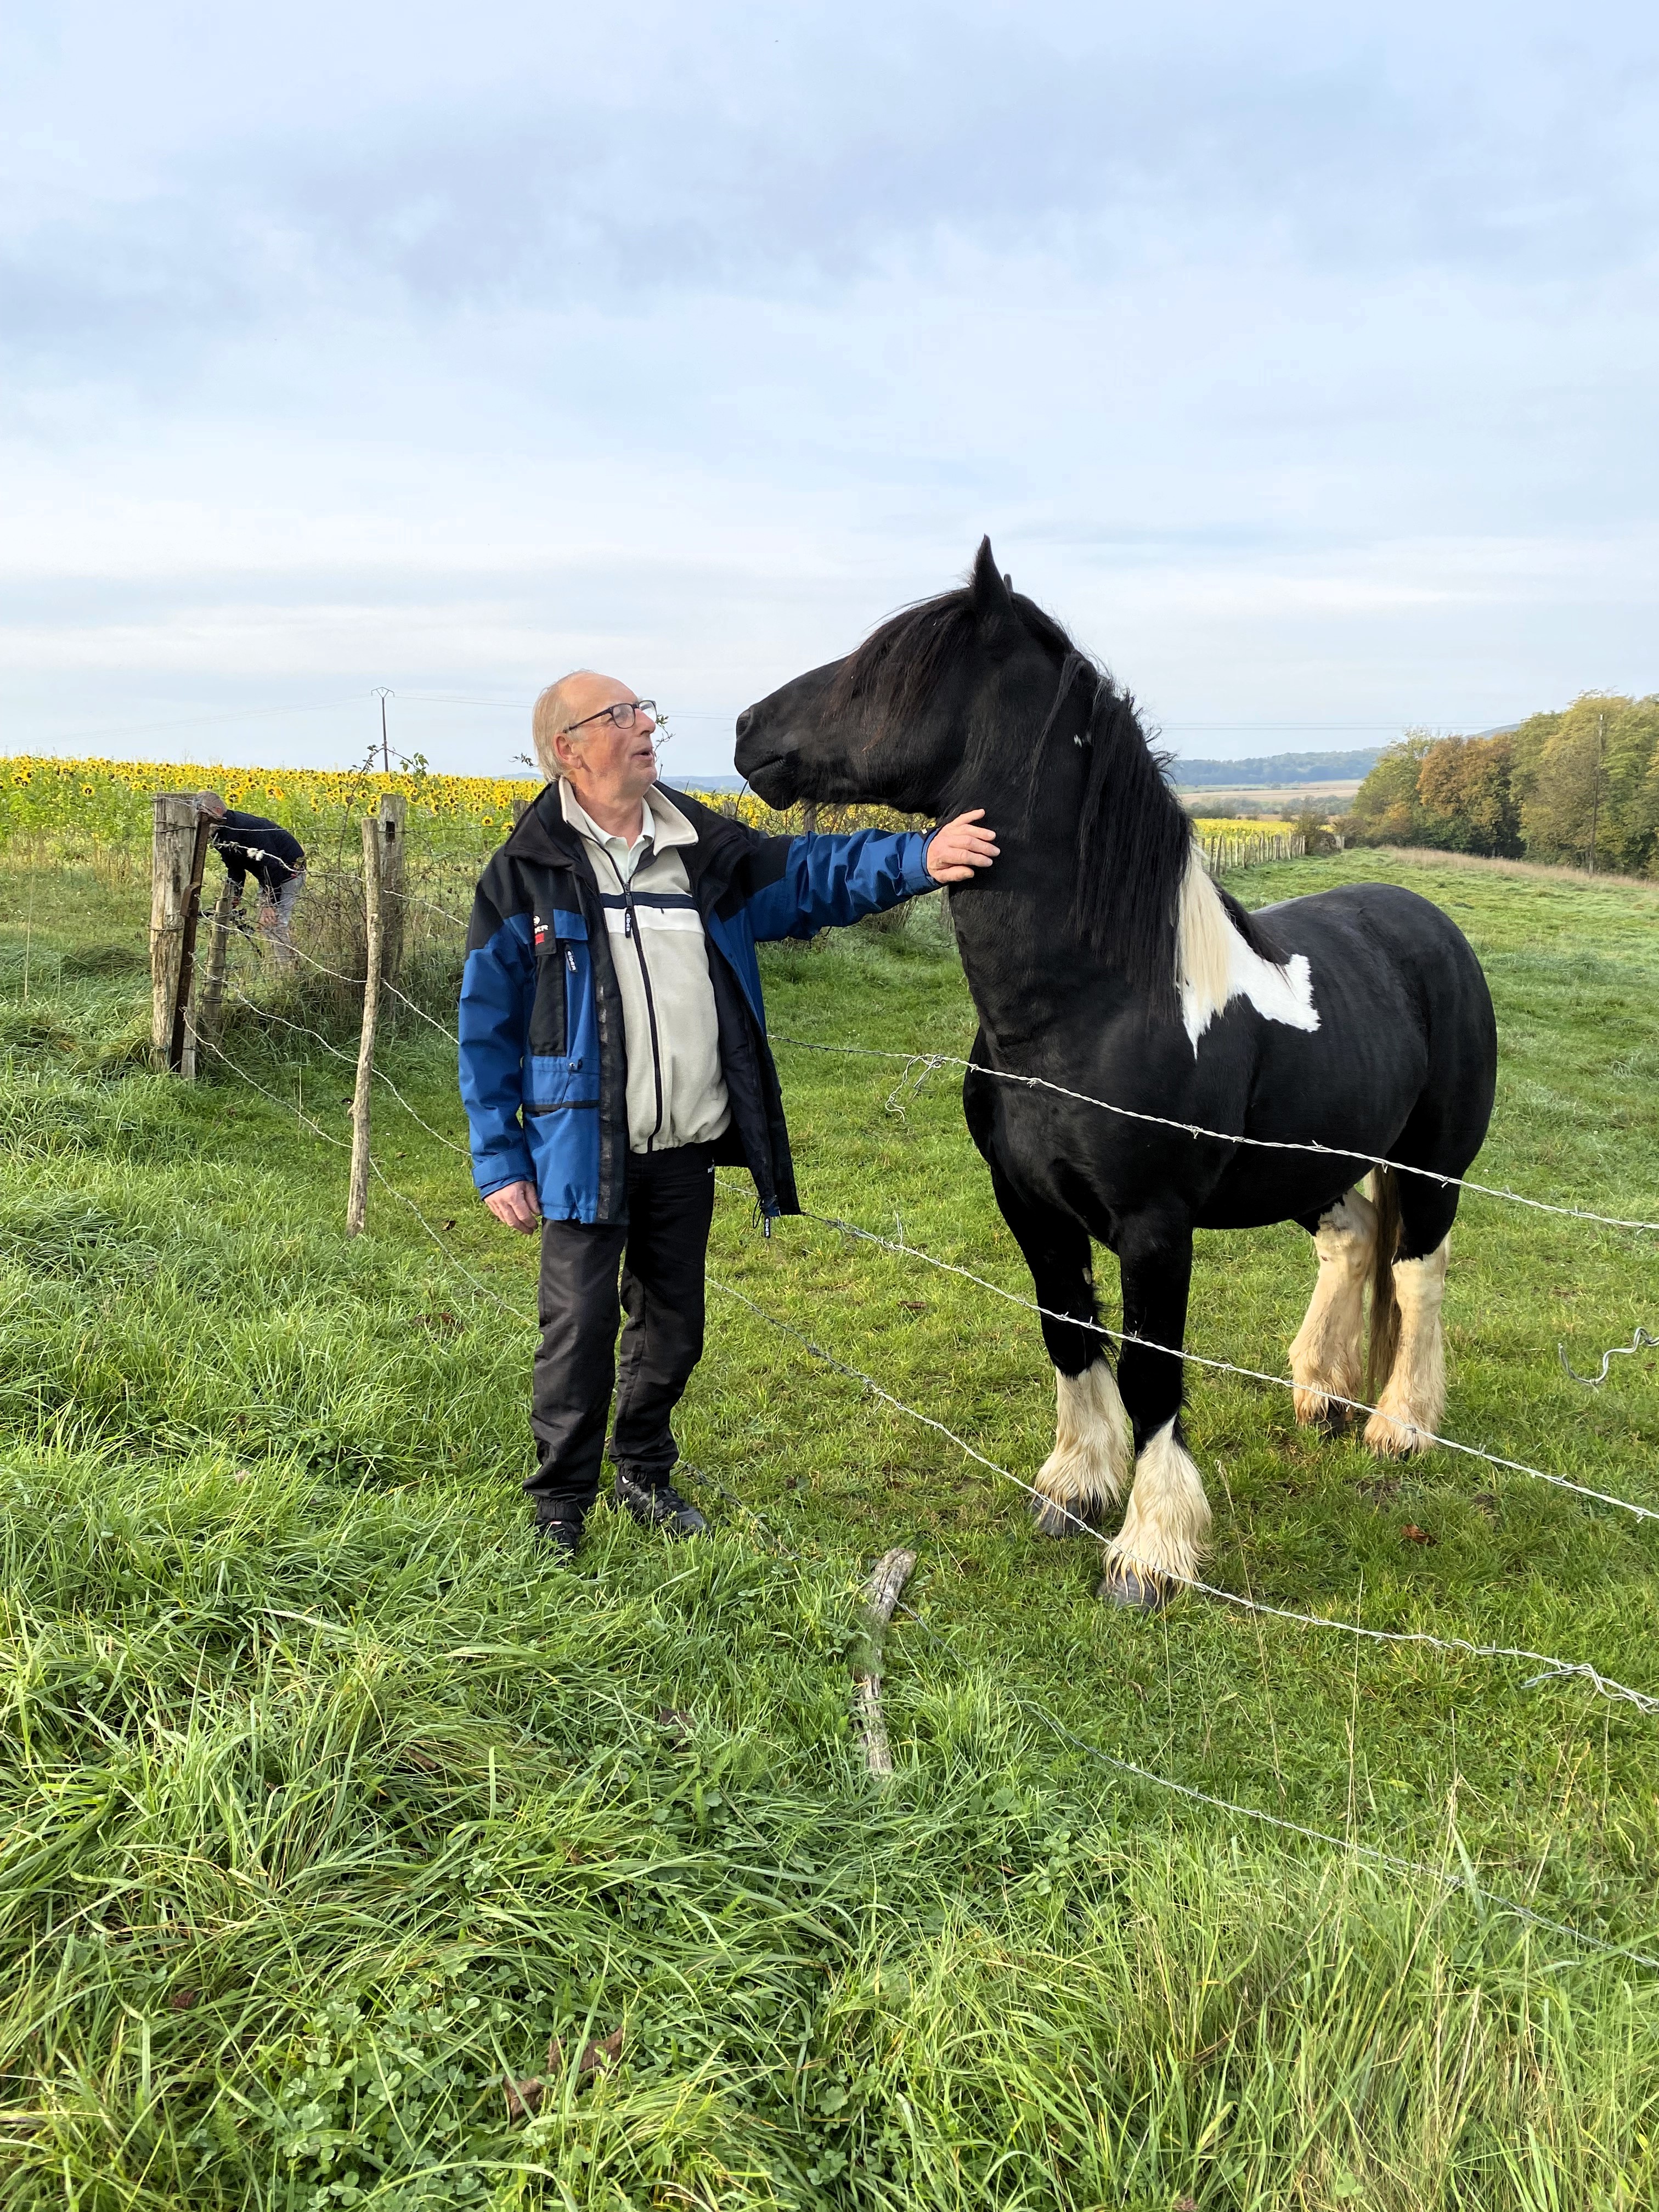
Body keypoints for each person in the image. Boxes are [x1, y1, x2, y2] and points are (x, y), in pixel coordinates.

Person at [458, 673, 998, 1556]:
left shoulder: (702, 850)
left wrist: (921, 856)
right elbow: (484, 1027)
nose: (645, 726)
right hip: (576, 1150)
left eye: (645, 712)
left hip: (684, 1145)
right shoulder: (525, 873)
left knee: (674, 1327)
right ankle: (560, 1502)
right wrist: (498, 1158)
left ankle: (643, 1471)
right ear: (568, 748)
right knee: (579, 1334)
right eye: (621, 716)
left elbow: (813, 875)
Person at [196, 794, 307, 962]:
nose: (199, 821)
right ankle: (282, 964)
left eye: (203, 815)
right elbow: (235, 867)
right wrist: (235, 894)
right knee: (268, 924)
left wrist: (270, 902)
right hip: (269, 874)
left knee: (276, 923)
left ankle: (288, 970)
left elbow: (272, 865)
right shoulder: (220, 833)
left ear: (218, 812)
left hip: (289, 872)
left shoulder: (248, 827)